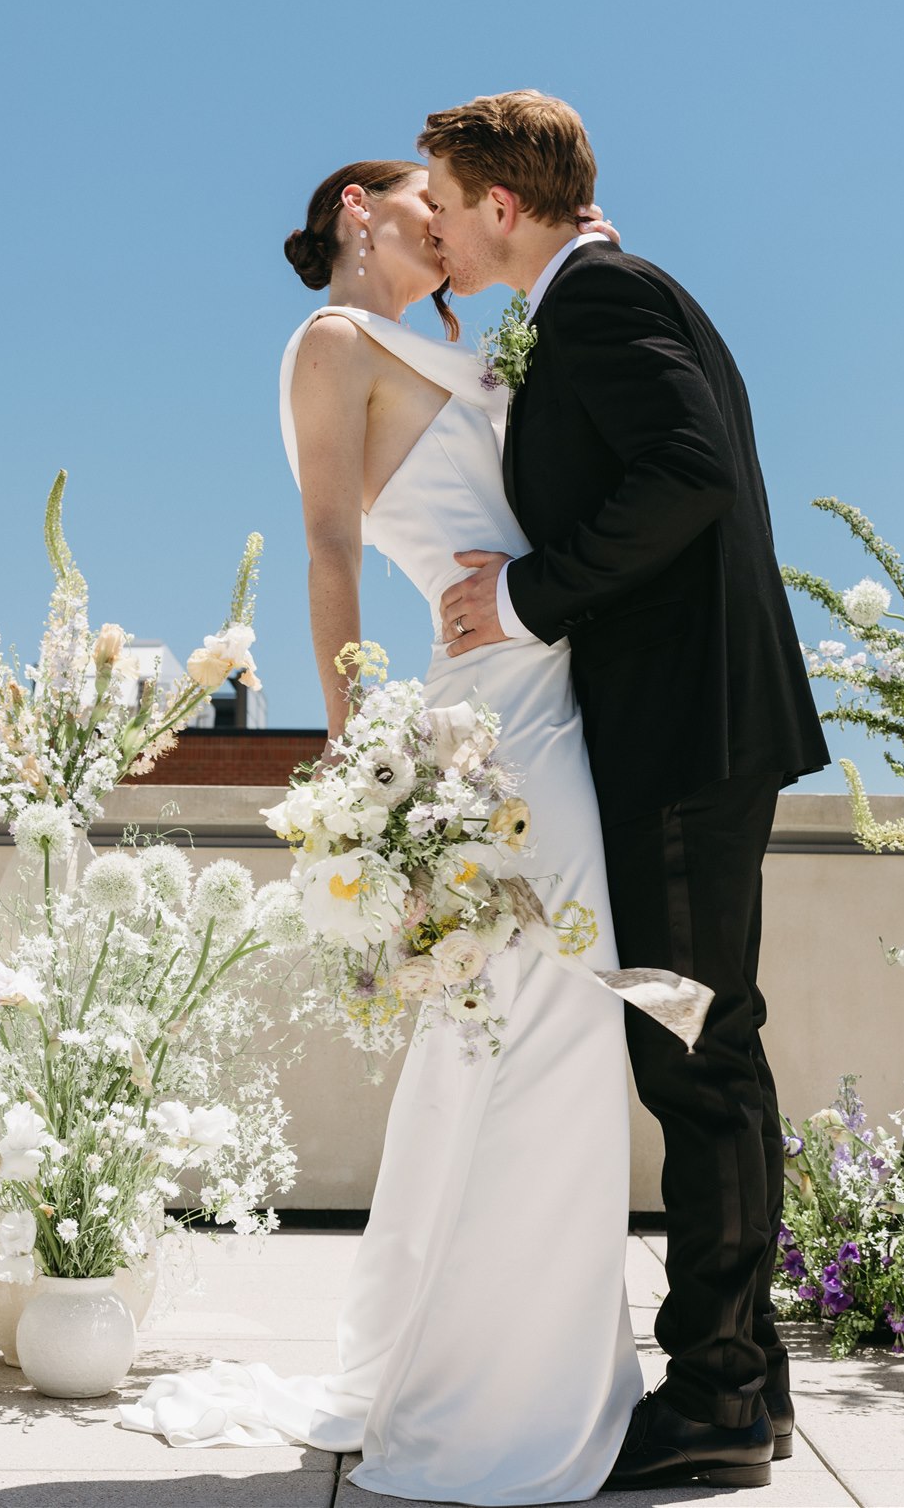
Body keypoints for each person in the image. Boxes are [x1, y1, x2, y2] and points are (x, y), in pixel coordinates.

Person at [118, 160, 643, 1505]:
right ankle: (497, 1391)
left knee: (528, 1025)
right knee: (543, 1011)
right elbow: (331, 548)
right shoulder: (333, 344)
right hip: (482, 719)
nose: (447, 223)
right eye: (425, 203)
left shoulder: (464, 341)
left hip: (555, 680)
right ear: (361, 210)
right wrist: (358, 749)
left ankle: (503, 1353)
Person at [424, 91, 830, 1492]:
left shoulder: (600, 298)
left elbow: (692, 471)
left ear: (501, 205)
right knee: (712, 1048)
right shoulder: (595, 292)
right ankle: (750, 1379)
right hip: (690, 732)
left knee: (694, 1055)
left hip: (682, 737)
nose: (434, 223)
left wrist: (529, 596)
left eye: (445, 198)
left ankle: (715, 1392)